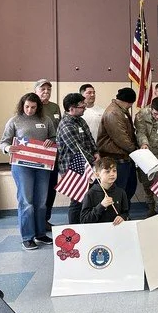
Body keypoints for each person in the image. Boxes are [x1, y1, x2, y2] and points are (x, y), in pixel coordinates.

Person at [0, 93, 56, 250]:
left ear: (38, 107)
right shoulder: (15, 121)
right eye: (27, 107)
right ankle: (27, 237)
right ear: (22, 105)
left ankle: (40, 234)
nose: (30, 110)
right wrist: (8, 148)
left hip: (43, 166)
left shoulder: (46, 120)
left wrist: (52, 141)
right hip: (22, 167)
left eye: (33, 107)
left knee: (41, 202)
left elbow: (54, 137)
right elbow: (3, 142)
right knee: (27, 202)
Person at [56, 93, 99, 224]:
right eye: (82, 106)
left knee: (88, 198)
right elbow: (77, 148)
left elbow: (90, 139)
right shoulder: (66, 125)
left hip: (88, 164)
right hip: (73, 167)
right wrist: (94, 159)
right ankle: (74, 228)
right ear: (71, 108)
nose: (85, 108)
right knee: (78, 199)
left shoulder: (81, 120)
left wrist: (96, 152)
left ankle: (86, 224)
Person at [96, 87, 139, 203]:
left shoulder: (121, 110)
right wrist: (136, 150)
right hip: (115, 158)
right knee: (119, 190)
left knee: (129, 188)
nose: (130, 107)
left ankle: (124, 213)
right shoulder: (113, 113)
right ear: (126, 101)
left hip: (124, 157)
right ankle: (116, 216)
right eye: (130, 104)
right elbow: (121, 138)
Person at [34, 79, 61, 231]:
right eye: (42, 89)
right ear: (36, 91)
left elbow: (59, 128)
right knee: (39, 190)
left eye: (48, 89)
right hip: (37, 155)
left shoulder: (55, 107)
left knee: (51, 188)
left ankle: (45, 220)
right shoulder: (32, 106)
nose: (46, 92)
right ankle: (36, 221)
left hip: (53, 154)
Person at [80, 157, 129, 224]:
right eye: (107, 171)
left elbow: (125, 213)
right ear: (97, 175)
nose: (112, 174)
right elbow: (84, 220)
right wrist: (101, 206)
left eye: (114, 170)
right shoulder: (90, 194)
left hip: (117, 230)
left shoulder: (121, 192)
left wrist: (122, 217)